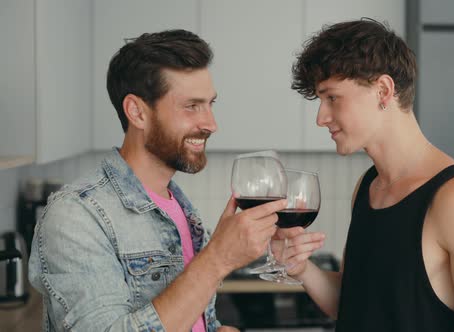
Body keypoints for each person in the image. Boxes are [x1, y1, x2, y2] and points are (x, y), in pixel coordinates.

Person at [28, 29, 286, 332]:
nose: (210, 124)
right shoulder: (76, 215)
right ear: (137, 112)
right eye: (191, 106)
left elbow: (186, 317)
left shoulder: (180, 207)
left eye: (210, 104)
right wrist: (217, 258)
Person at [277, 19, 454, 331]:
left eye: (332, 98)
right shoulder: (369, 187)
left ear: (383, 90)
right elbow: (355, 305)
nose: (321, 118)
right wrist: (302, 269)